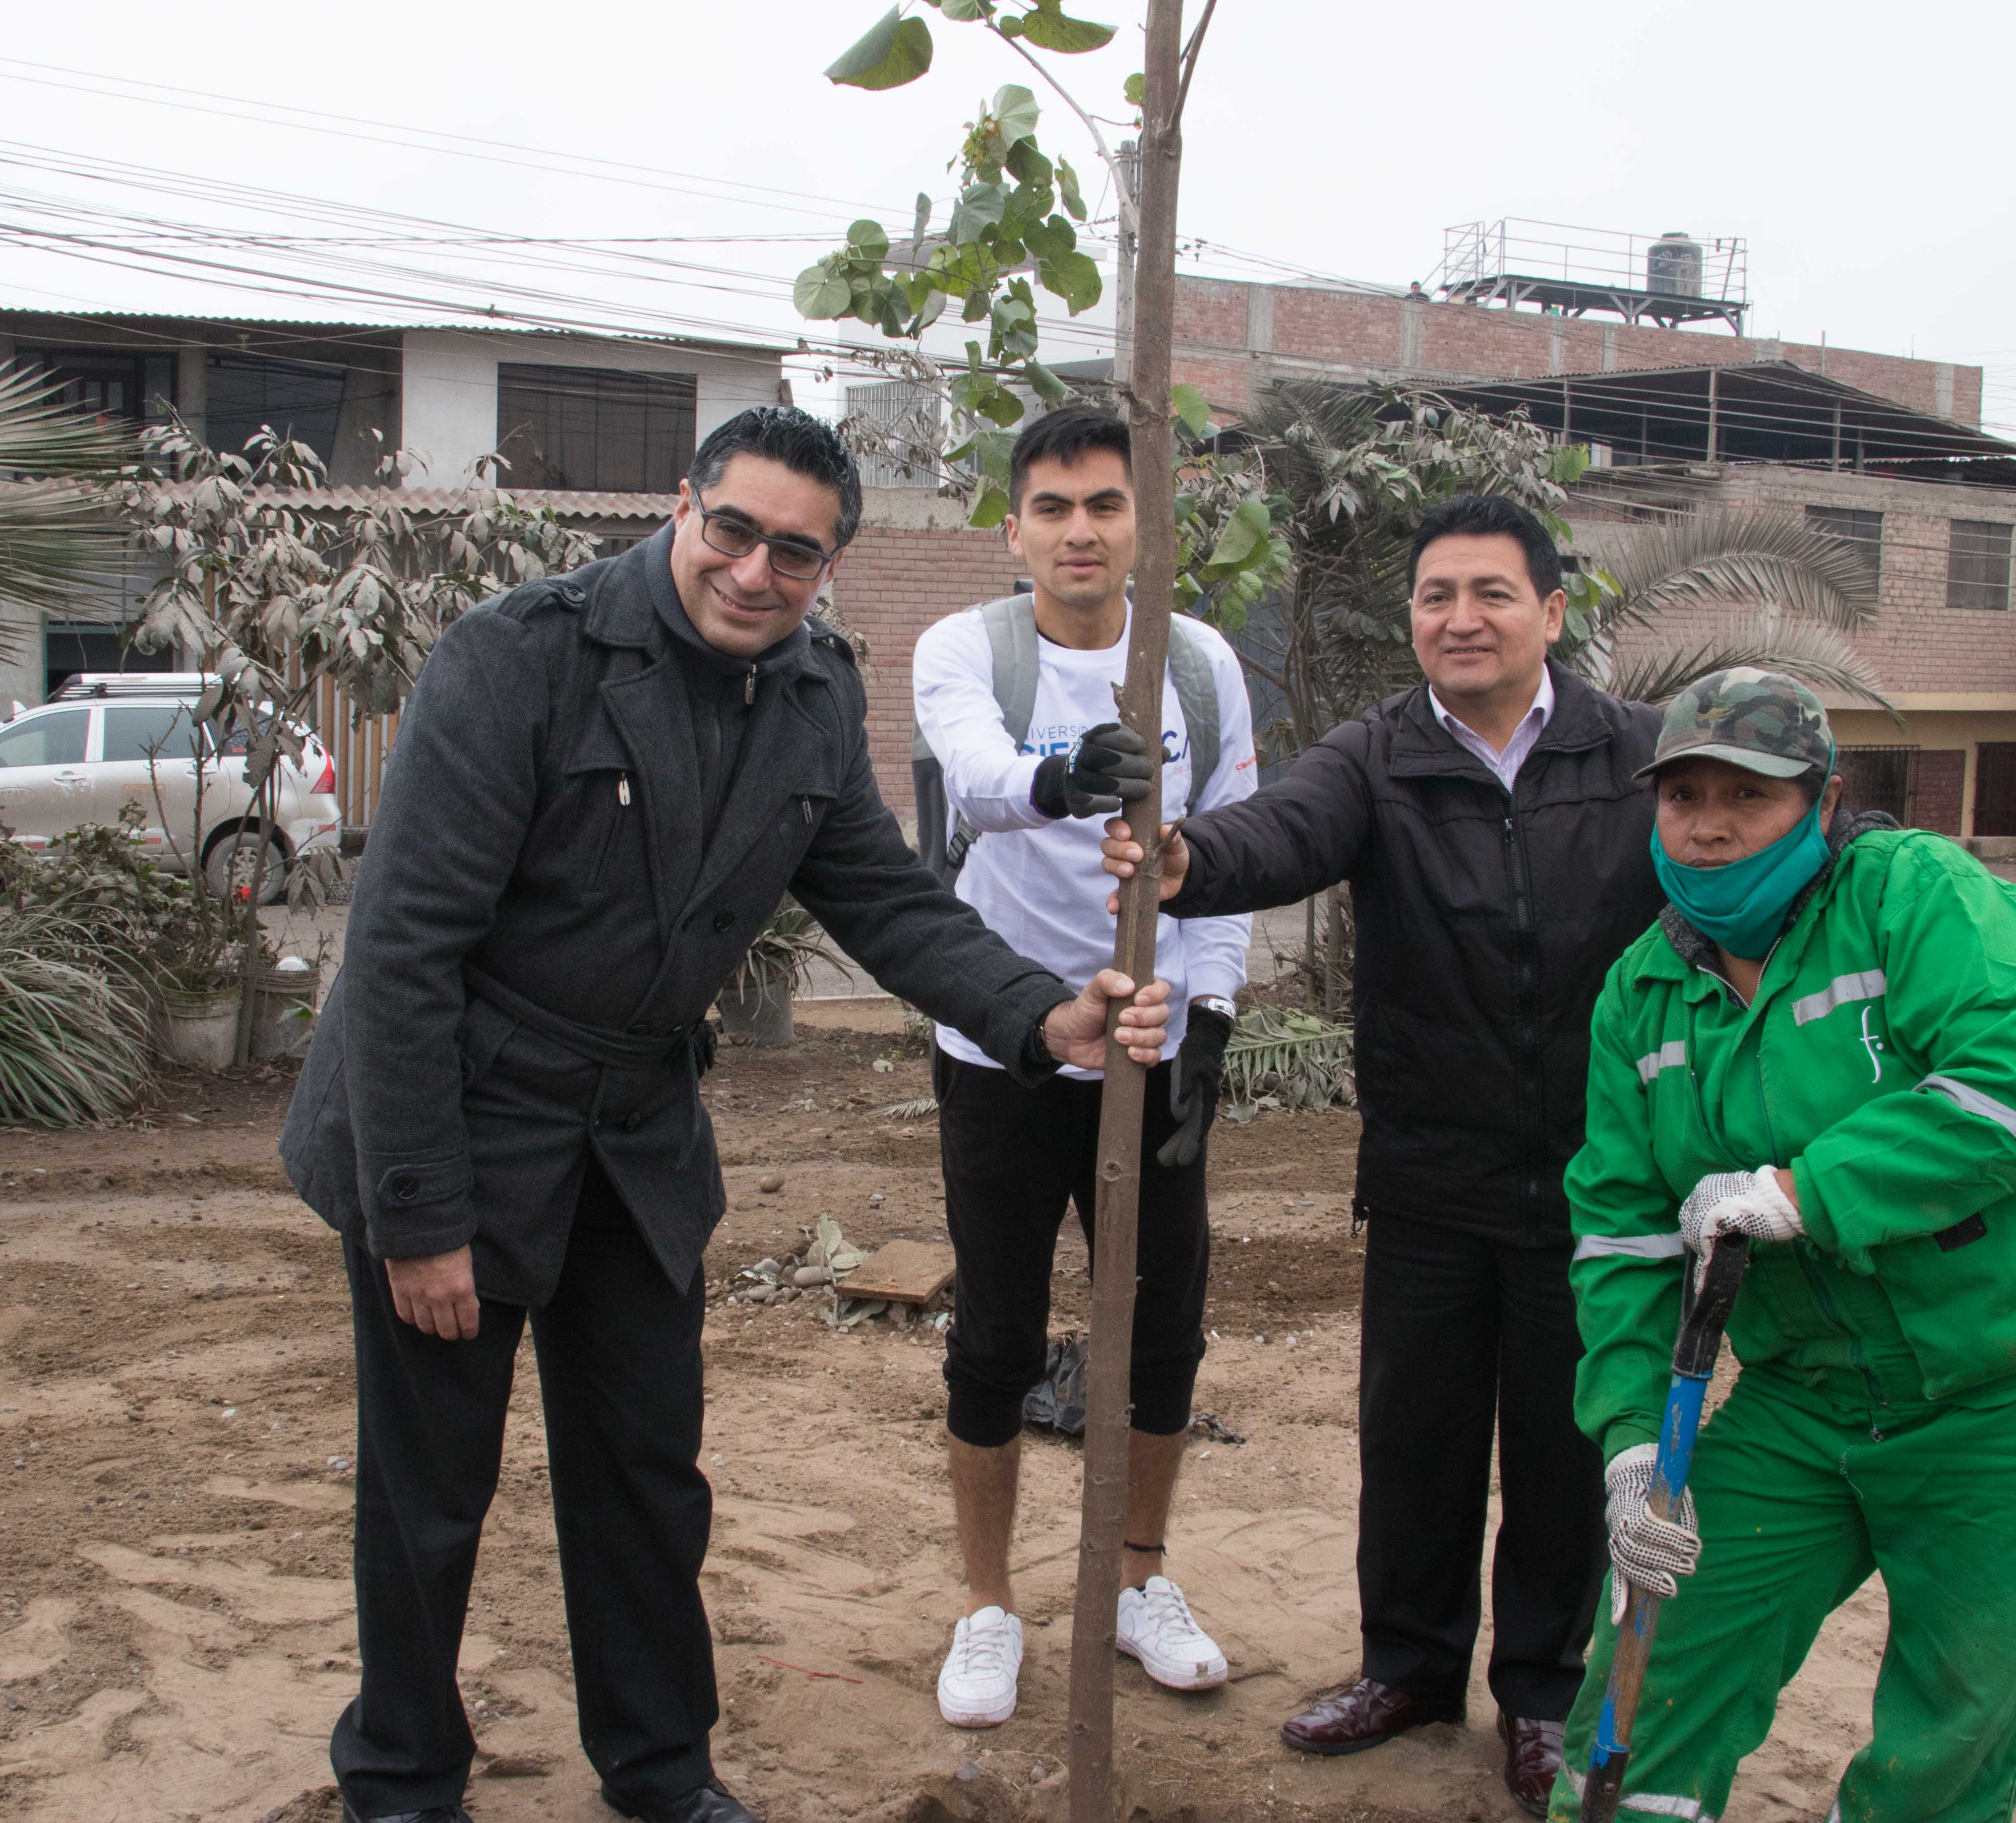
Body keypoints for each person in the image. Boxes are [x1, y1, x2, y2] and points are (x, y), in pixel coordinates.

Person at [279, 406, 1171, 1823]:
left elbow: (880, 899)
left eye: (797, 554)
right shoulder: (524, 658)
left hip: (633, 1135)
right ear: (684, 507)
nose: (756, 572)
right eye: (735, 531)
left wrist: (1035, 1011)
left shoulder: (812, 693)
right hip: (460, 1110)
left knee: (644, 1473)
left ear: (830, 566)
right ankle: (398, 1775)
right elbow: (399, 953)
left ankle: (659, 1767)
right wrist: (421, 1214)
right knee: (427, 1490)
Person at [1099, 493, 1663, 1814]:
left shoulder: (1633, 754)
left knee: (1559, 1448)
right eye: (1433, 597)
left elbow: (1753, 841)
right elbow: (1280, 831)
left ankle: (1535, 1691)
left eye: (1489, 594)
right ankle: (1405, 1665)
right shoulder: (1378, 755)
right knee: (1414, 1439)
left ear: (1552, 612)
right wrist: (1184, 858)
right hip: (1429, 1167)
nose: (1458, 619)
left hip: (1596, 1176)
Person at [1550, 669, 2016, 1823]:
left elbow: (2015, 1094)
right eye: (1682, 794)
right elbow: (1620, 1236)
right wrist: (1632, 1443)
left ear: (1823, 800)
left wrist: (1803, 1191)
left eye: (1750, 792)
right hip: (1814, 1388)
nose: (1710, 822)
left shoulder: (1913, 892)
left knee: (1951, 1723)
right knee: (1657, 1655)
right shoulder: (1639, 993)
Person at [908, 406, 1258, 1729]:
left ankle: (1133, 1581)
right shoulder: (968, 649)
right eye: (1051, 507)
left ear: (1141, 525)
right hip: (1003, 1045)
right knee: (995, 1335)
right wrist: (1065, 779)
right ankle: (988, 1605)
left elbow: (1228, 854)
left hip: (1149, 1044)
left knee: (1161, 1329)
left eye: (1104, 505)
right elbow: (982, 780)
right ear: (1015, 528)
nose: (1078, 530)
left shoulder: (1203, 668)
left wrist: (1211, 1010)